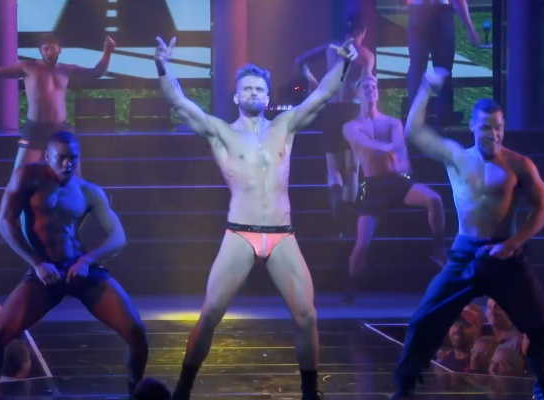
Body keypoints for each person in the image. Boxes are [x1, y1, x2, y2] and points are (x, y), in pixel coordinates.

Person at [155, 35, 357, 400]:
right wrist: (162, 66)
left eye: (259, 88)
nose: (253, 93)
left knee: (307, 316)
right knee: (210, 313)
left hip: (282, 234)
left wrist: (342, 63)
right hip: (241, 233)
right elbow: (177, 101)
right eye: (247, 88)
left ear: (267, 97)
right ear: (236, 96)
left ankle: (310, 392)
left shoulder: (285, 126)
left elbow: (323, 95)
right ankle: (182, 389)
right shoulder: (221, 132)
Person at [391, 70, 544, 400]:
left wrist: (512, 244)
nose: (494, 135)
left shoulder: (518, 165)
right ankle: (403, 391)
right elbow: (413, 131)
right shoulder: (456, 157)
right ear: (473, 127)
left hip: (505, 257)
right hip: (465, 253)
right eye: (486, 128)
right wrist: (426, 88)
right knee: (423, 322)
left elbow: (543, 210)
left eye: (499, 128)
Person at [0, 131, 148, 400]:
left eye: (73, 158)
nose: (68, 163)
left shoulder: (88, 190)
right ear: (48, 156)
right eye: (62, 157)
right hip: (45, 271)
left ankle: (136, 392)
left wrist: (87, 260)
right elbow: (4, 222)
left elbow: (118, 237)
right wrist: (37, 263)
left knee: (137, 332)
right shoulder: (28, 177)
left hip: (77, 268)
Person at [0, 33, 115, 241]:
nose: (49, 52)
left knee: (76, 179)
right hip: (35, 130)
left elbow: (96, 72)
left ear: (59, 50)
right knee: (18, 177)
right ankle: (2, 227)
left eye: (53, 48)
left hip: (60, 129)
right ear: (41, 51)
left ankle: (83, 227)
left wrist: (107, 52)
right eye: (45, 48)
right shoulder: (28, 68)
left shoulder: (67, 70)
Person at [341, 74, 446, 304]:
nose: (370, 90)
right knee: (362, 243)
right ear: (357, 94)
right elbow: (366, 144)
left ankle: (439, 247)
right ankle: (351, 285)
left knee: (434, 199)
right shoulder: (350, 127)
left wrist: (401, 163)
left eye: (373, 87)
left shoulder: (391, 123)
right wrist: (389, 147)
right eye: (365, 87)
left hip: (397, 182)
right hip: (374, 187)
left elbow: (400, 148)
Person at [295, 19, 373, 237]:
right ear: (363, 31)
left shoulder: (330, 48)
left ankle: (339, 216)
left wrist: (310, 78)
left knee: (333, 169)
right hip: (352, 112)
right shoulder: (365, 54)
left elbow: (300, 61)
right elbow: (368, 83)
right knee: (352, 169)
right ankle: (348, 222)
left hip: (331, 111)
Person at [406, 0, 479, 126]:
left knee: (421, 68)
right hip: (432, 13)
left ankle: (425, 115)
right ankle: (442, 115)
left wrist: (470, 27)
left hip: (426, 13)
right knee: (431, 68)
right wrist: (470, 28)